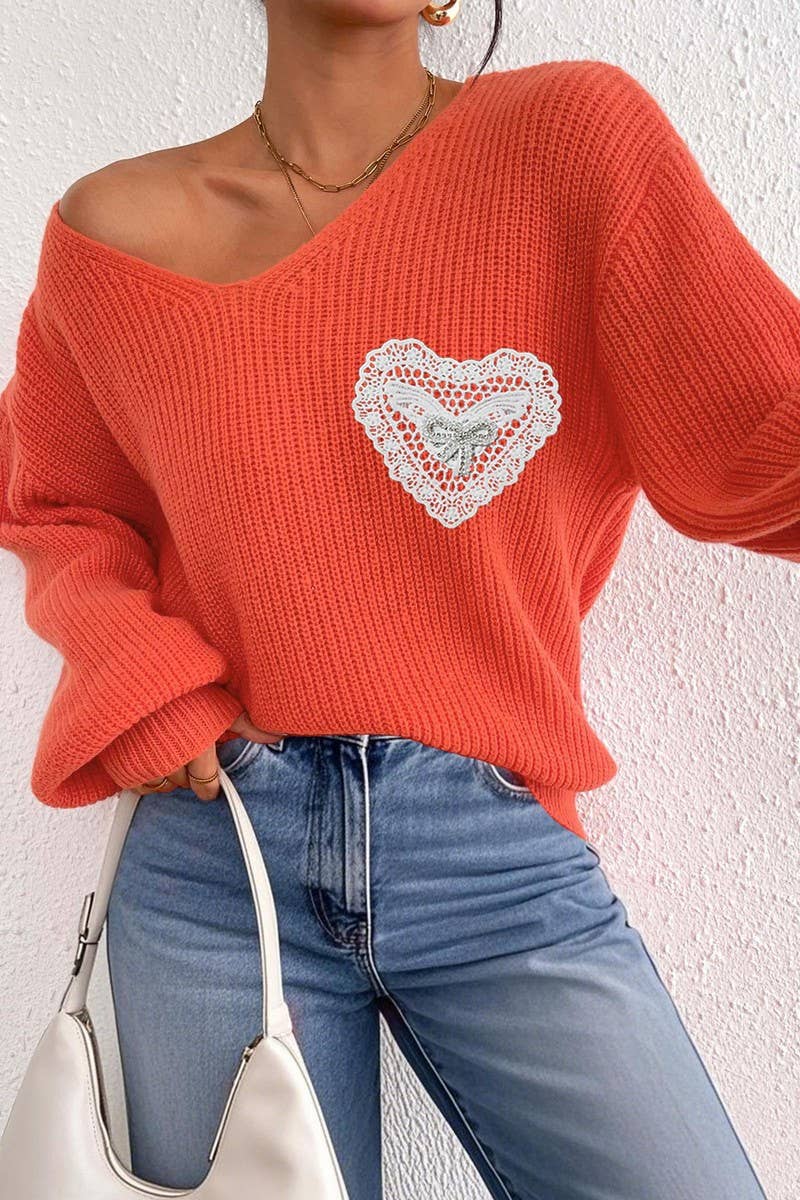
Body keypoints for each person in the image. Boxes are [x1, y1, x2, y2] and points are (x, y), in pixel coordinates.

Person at [1, 0, 796, 1195]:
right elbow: (57, 507)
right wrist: (145, 684)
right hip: (216, 856)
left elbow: (756, 428)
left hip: (490, 845)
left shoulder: (571, 141)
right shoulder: (111, 231)